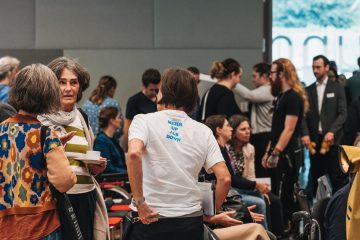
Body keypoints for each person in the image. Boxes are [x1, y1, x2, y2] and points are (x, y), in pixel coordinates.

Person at [127, 69, 232, 240]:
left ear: (163, 92)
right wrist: (210, 213)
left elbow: (133, 154)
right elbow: (225, 178)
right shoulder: (203, 131)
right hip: (189, 220)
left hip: (150, 218)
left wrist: (140, 203)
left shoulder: (143, 121)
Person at [0, 64, 76, 239]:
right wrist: (58, 151)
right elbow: (64, 181)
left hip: (7, 225)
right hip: (42, 224)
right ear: (49, 95)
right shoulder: (45, 134)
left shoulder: (1, 130)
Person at [38, 57, 109, 240]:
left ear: (80, 86)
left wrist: (95, 167)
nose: (68, 88)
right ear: (51, 86)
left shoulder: (82, 117)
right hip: (55, 201)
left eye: (74, 82)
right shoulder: (40, 118)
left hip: (85, 197)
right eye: (61, 82)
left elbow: (86, 156)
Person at [263, 58, 308, 225]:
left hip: (288, 153)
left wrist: (276, 152)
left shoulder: (293, 98)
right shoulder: (280, 96)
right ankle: (281, 226)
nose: (270, 76)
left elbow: (289, 129)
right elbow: (276, 130)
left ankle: (292, 226)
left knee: (286, 193)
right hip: (279, 150)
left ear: (281, 74)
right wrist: (269, 151)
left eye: (273, 72)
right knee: (278, 191)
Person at [301, 55, 347, 197]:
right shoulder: (308, 90)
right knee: (316, 176)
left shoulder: (337, 87)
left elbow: (342, 113)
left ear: (327, 68)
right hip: (315, 140)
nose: (315, 70)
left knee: (335, 176)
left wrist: (332, 131)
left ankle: (337, 208)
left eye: (318, 67)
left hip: (332, 140)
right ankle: (318, 212)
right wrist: (305, 133)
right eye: (314, 67)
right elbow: (303, 115)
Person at [234, 63, 274, 178]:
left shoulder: (269, 89)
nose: (252, 80)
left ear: (264, 76)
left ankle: (266, 194)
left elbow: (249, 95)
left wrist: (233, 82)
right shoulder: (262, 90)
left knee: (262, 169)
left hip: (265, 135)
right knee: (258, 169)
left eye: (254, 76)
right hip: (259, 135)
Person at [123, 68, 161, 150]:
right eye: (151, 90)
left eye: (157, 90)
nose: (155, 93)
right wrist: (133, 146)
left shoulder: (161, 101)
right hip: (141, 144)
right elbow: (127, 128)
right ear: (144, 86)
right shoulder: (134, 101)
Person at [94, 106, 126, 173]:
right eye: (118, 117)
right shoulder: (101, 140)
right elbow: (107, 168)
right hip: (112, 180)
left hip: (120, 177)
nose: (120, 120)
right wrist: (128, 172)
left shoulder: (114, 139)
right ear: (112, 121)